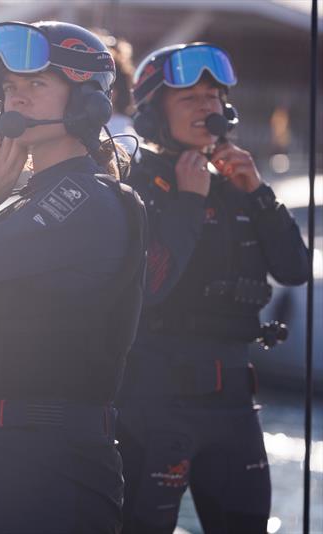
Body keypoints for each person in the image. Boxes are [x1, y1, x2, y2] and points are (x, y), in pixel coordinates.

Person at [0, 21, 148, 534]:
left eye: (36, 86)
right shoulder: (28, 198)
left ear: (88, 103)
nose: (16, 100)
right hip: (1, 441)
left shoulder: (84, 199)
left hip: (47, 457)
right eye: (9, 90)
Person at [116, 43, 310, 533]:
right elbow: (150, 287)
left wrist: (259, 193)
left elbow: (294, 270)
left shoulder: (239, 185)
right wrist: (185, 202)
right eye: (190, 99)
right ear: (156, 113)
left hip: (235, 408)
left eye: (213, 97)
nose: (207, 108)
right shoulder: (134, 185)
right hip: (157, 404)